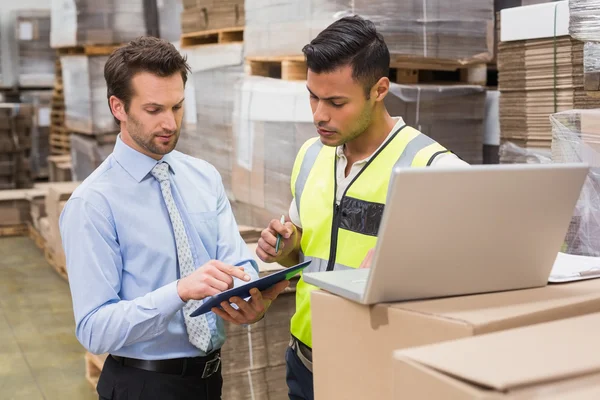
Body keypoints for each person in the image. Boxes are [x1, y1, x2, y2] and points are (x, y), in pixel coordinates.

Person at [59, 36, 289, 400]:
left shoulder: (203, 177)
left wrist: (251, 300)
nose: (170, 123)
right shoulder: (93, 204)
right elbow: (94, 329)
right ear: (118, 107)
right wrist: (179, 292)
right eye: (154, 110)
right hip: (142, 385)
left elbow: (236, 260)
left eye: (177, 107)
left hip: (210, 379)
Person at [255, 16, 469, 400]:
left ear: (379, 90)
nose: (319, 114)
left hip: (380, 376)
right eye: (312, 96)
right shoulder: (310, 156)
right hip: (306, 366)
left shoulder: (433, 168)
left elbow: (477, 279)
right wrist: (285, 245)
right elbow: (307, 245)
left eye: (336, 102)